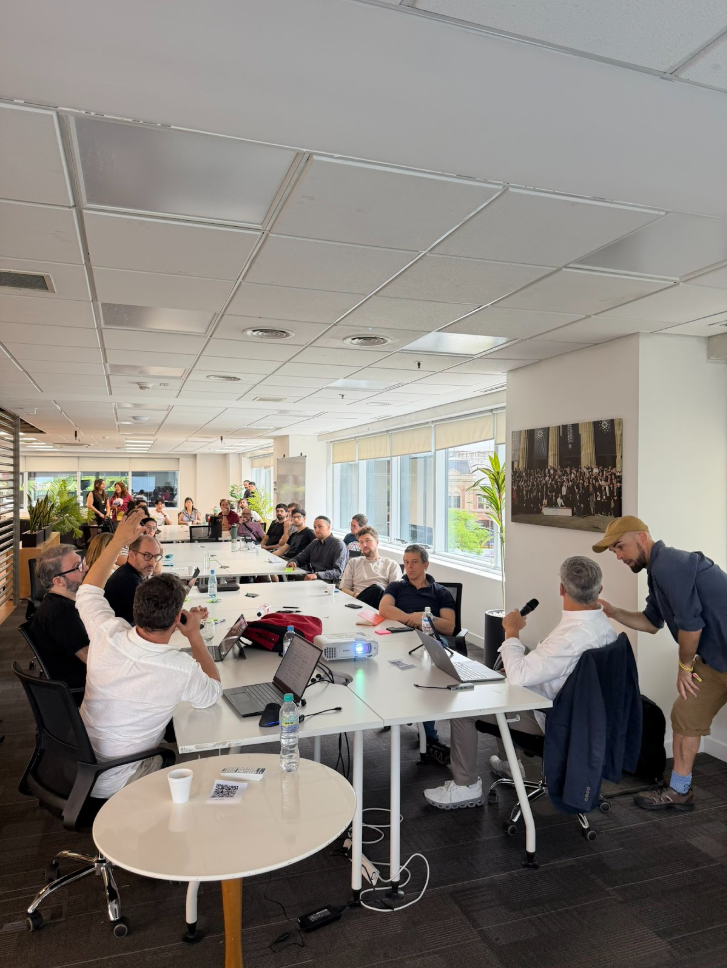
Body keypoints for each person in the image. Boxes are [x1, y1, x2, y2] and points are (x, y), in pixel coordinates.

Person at [423, 556, 616, 809]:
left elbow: (520, 677)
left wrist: (512, 632)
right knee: (503, 678)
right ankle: (507, 764)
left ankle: (466, 786)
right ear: (599, 589)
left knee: (463, 708)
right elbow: (561, 667)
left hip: (552, 716)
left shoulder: (570, 637)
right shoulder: (603, 626)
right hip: (581, 713)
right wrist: (519, 663)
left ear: (561, 589)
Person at [76, 509, 221, 798]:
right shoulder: (179, 668)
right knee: (206, 763)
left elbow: (88, 591)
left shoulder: (106, 632)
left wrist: (118, 540)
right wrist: (194, 636)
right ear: (176, 618)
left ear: (136, 607)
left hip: (80, 762)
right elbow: (213, 692)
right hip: (123, 777)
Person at [594, 515, 727, 811]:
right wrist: (612, 611)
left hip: (713, 657)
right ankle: (680, 791)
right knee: (686, 713)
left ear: (642, 537)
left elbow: (691, 627)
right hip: (716, 662)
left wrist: (685, 667)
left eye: (620, 547)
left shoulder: (671, 565)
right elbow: (651, 622)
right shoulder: (657, 572)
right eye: (614, 551)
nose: (618, 556)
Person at [379, 544, 455, 760]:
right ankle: (401, 711)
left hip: (429, 639)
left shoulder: (440, 592)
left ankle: (429, 737)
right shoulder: (396, 586)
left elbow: (449, 626)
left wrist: (425, 618)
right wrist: (411, 618)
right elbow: (384, 608)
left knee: (425, 676)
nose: (409, 567)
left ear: (425, 565)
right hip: (399, 636)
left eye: (414, 562)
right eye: (406, 562)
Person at [30, 544, 89, 689]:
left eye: (82, 563)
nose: (86, 568)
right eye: (78, 567)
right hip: (85, 689)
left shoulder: (61, 603)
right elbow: (90, 659)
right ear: (58, 581)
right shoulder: (60, 613)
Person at [102, 531, 163, 625]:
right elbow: (151, 621)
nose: (152, 562)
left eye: (156, 557)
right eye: (147, 556)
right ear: (131, 555)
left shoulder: (127, 572)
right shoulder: (129, 583)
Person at [339, 526, 400, 608]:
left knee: (377, 589)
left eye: (368, 541)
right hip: (356, 602)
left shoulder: (391, 565)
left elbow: (395, 594)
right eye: (361, 542)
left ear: (377, 542)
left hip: (379, 606)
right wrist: (355, 595)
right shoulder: (353, 562)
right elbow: (344, 588)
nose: (364, 545)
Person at [289, 515, 348, 582]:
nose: (316, 530)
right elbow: (300, 558)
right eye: (315, 527)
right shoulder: (314, 543)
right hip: (314, 579)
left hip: (330, 583)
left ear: (328, 527)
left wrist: (317, 575)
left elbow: (338, 572)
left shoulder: (338, 545)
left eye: (320, 526)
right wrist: (293, 562)